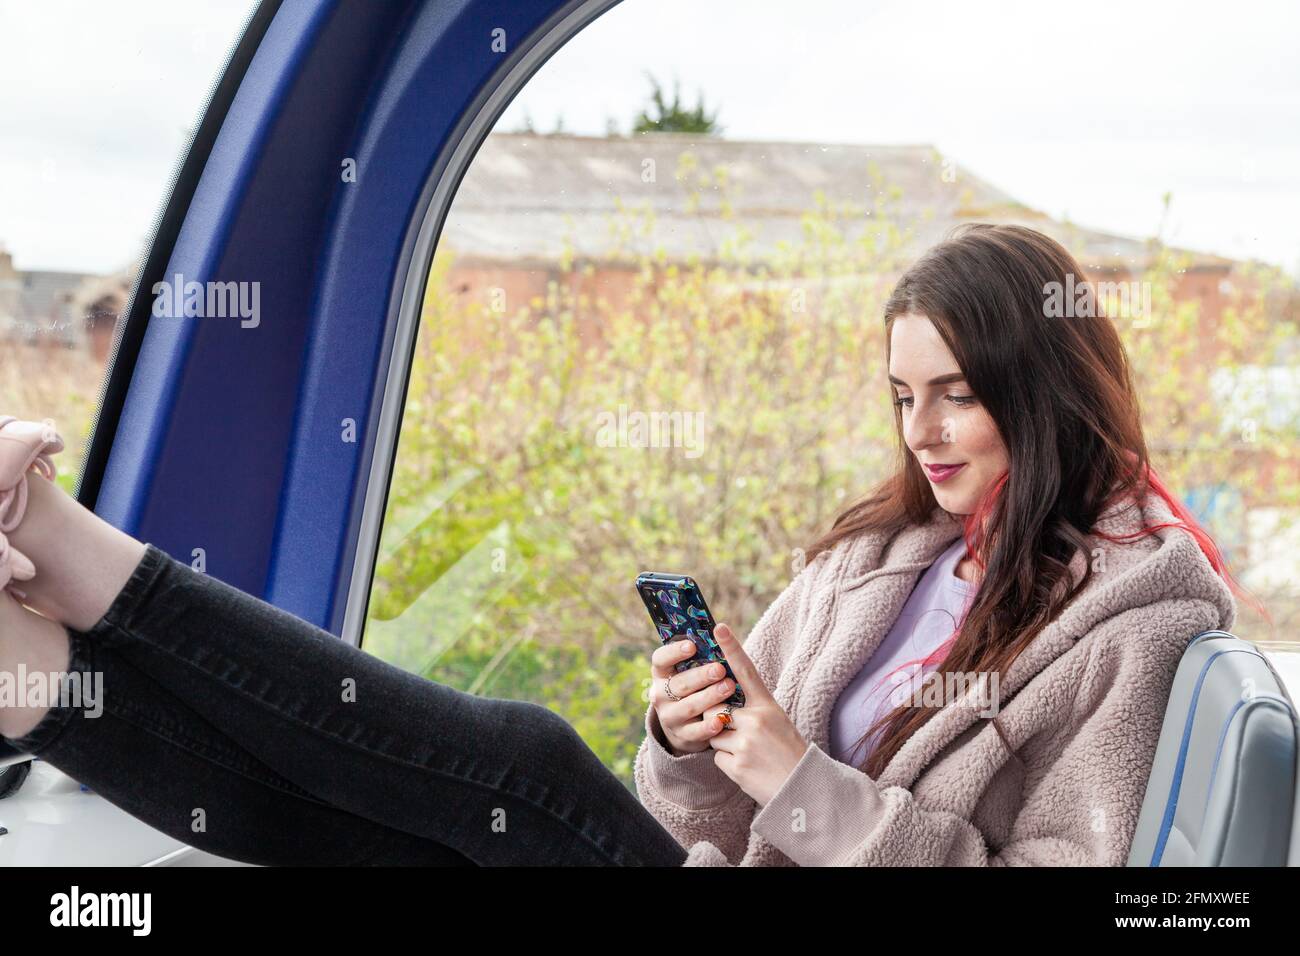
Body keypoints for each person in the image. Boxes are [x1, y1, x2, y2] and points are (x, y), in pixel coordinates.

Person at [0, 223, 1260, 867]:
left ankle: (48, 526)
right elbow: (688, 803)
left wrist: (797, 782)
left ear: (1039, 386)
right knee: (368, 837)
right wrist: (687, 732)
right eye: (898, 393)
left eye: (955, 394)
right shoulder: (887, 552)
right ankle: (25, 667)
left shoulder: (1137, 618)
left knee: (527, 758)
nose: (920, 431)